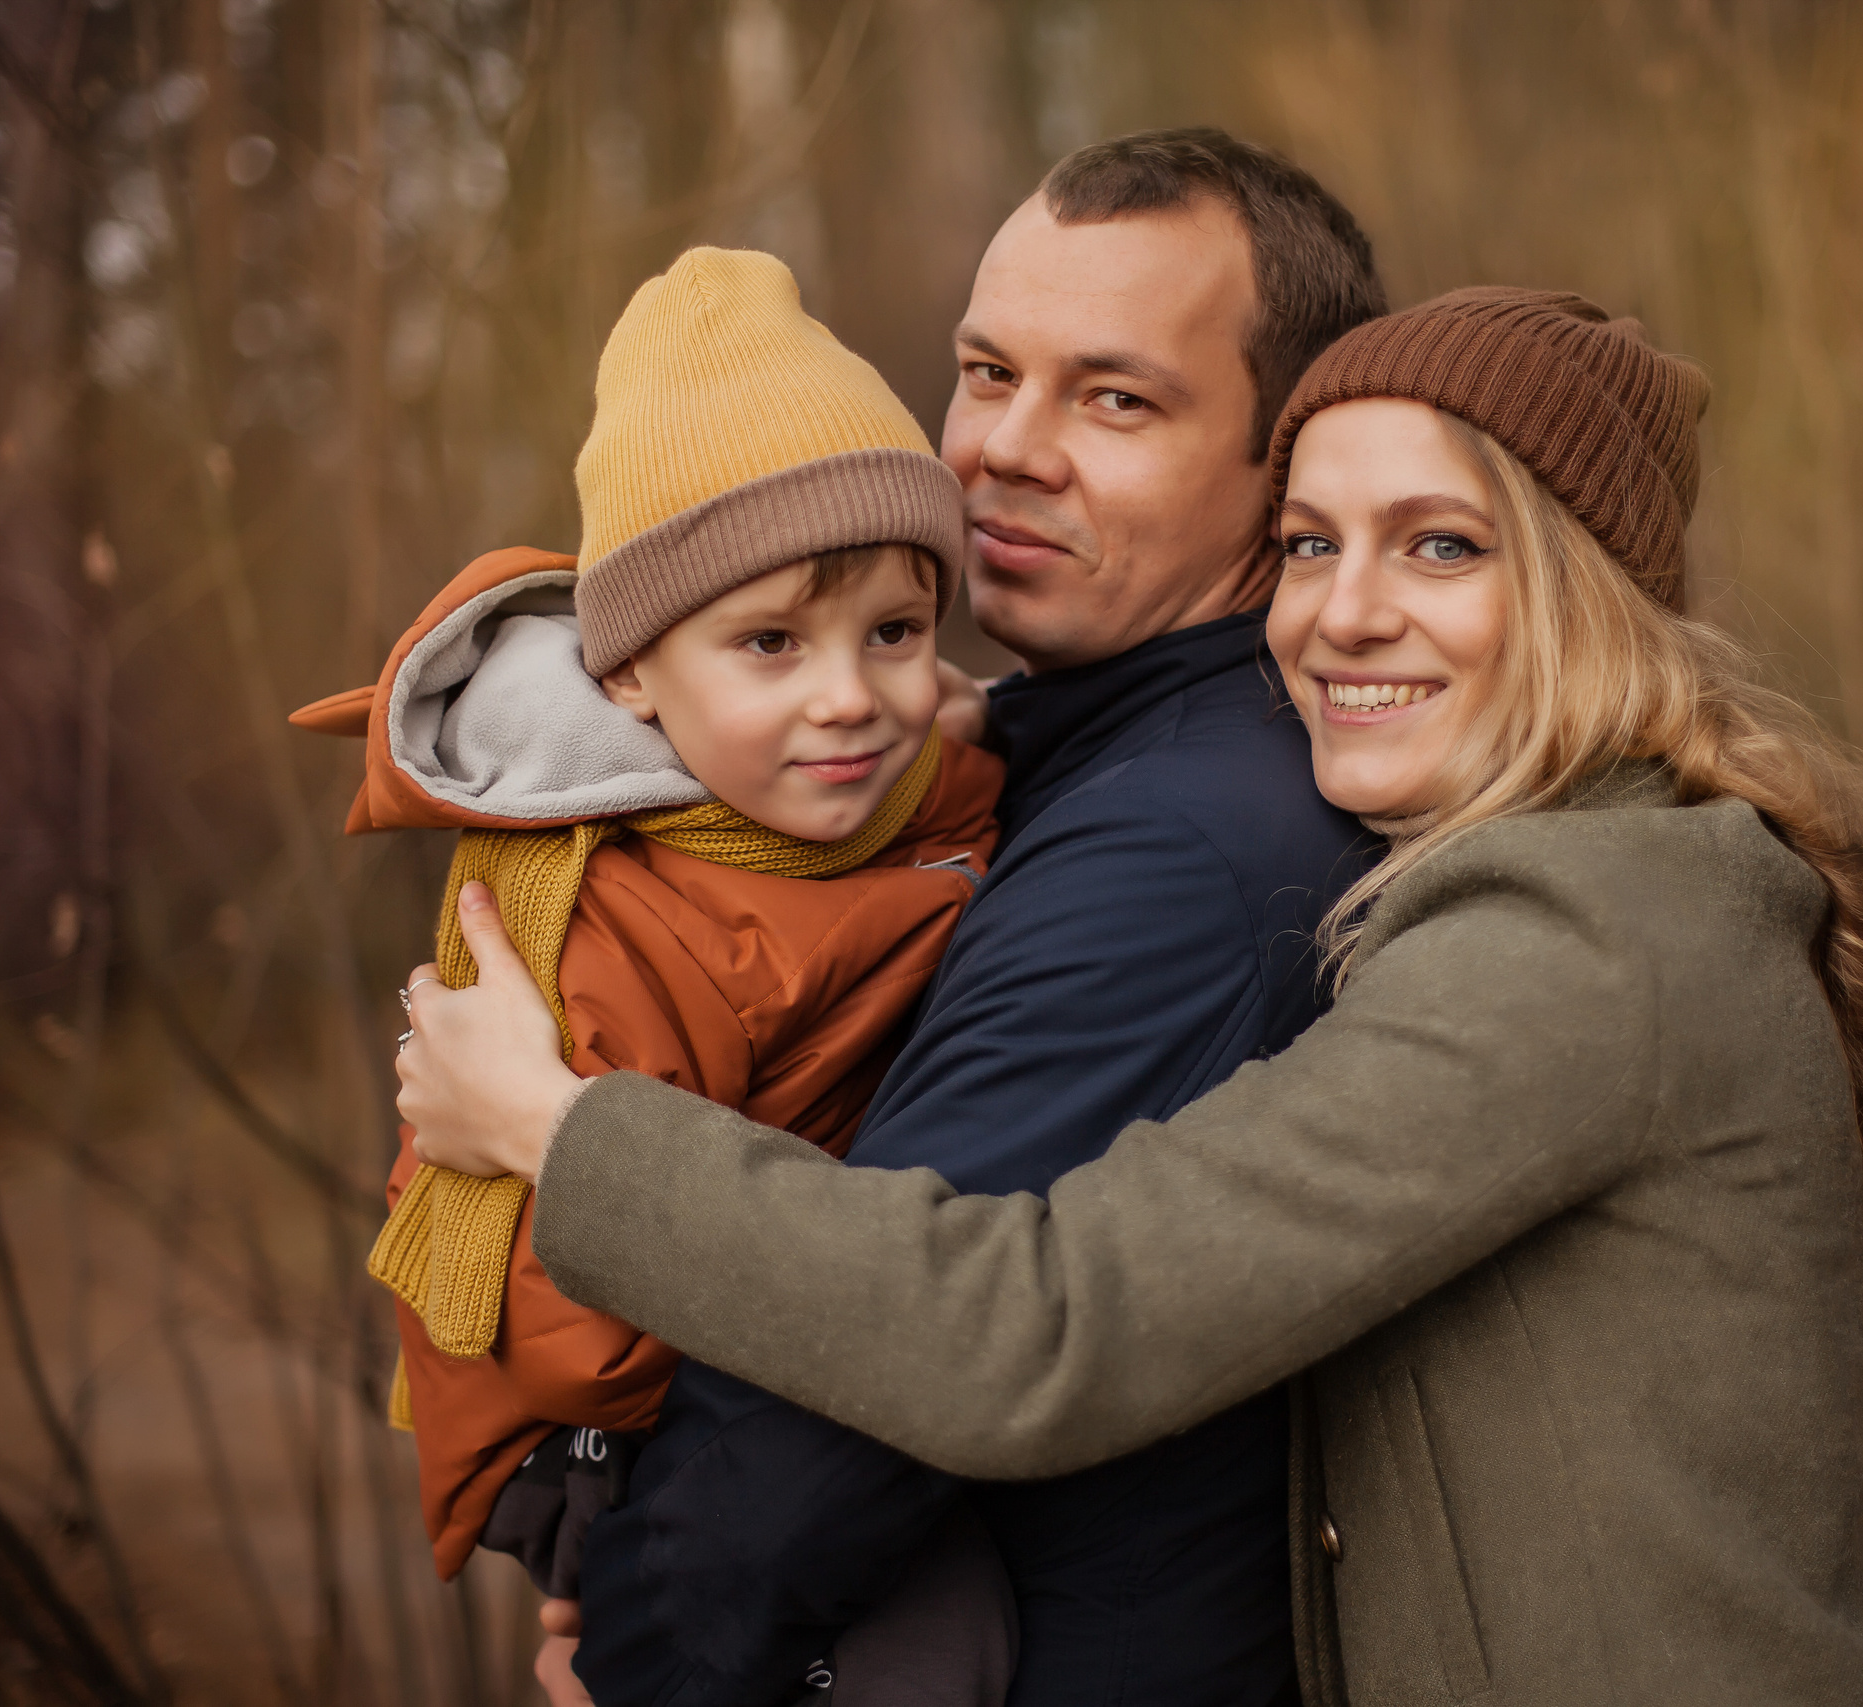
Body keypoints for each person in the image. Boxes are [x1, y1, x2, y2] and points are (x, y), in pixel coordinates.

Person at [401, 288, 1863, 1704]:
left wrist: (561, 1130)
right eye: (1308, 543)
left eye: (1440, 545)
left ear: (1585, 592)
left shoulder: (1576, 946)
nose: (1344, 611)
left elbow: (1040, 1325)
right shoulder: (1607, 880)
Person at [408, 128, 1385, 1706]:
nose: (1005, 448)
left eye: (1116, 396)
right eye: (988, 371)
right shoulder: (1035, 758)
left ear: (1292, 465)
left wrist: (645, 1655)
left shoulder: (1176, 851)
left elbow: (858, 1400)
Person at [290, 245, 1014, 1705]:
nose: (849, 697)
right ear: (633, 677)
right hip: (585, 1426)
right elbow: (573, 1327)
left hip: (712, 1335)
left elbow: (961, 802)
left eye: (894, 630)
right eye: (769, 643)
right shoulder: (621, 926)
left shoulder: (871, 785)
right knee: (942, 1638)